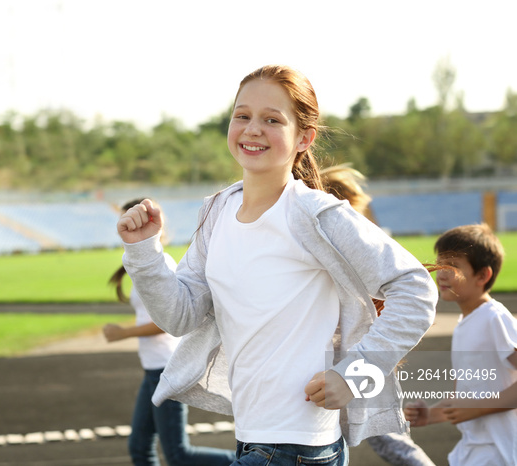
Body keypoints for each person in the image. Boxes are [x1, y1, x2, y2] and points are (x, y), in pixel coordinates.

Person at [117, 65, 437, 466]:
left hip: (298, 446)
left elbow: (416, 287)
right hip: (253, 437)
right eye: (242, 115)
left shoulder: (314, 212)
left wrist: (356, 376)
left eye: (272, 120)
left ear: (304, 137)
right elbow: (180, 316)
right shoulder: (217, 211)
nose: (252, 129)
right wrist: (144, 252)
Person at [103, 198, 237, 466]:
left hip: (166, 365)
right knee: (140, 447)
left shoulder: (162, 263)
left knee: (178, 454)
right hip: (153, 367)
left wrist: (124, 333)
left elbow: (169, 322)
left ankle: (247, 463)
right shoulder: (137, 263)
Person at [321, 164, 436, 466]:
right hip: (350, 354)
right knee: (332, 436)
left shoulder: (348, 237)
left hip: (354, 355)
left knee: (387, 440)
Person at [404, 224, 517, 466]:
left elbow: (472, 404)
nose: (441, 273)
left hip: (500, 452)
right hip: (474, 450)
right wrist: (430, 415)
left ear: (482, 275)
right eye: (439, 264)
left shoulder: (493, 318)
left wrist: (478, 408)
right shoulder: (466, 323)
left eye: (452, 266)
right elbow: (463, 397)